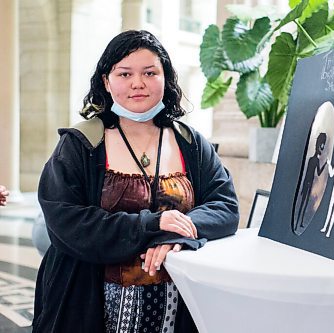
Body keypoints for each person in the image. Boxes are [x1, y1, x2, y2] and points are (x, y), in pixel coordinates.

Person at [33, 30, 239, 332]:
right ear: (106, 81)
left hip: (178, 304)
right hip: (87, 301)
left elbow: (225, 207)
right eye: (125, 73)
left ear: (166, 78)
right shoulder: (82, 144)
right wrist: (154, 225)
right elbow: (65, 222)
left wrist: (179, 233)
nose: (137, 83)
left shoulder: (190, 142)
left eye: (150, 72)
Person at [294, 133, 327, 231]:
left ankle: (300, 222)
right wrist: (325, 165)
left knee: (304, 203)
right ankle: (298, 223)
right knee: (303, 203)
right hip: (308, 183)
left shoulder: (313, 159)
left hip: (308, 183)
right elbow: (319, 172)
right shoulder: (314, 160)